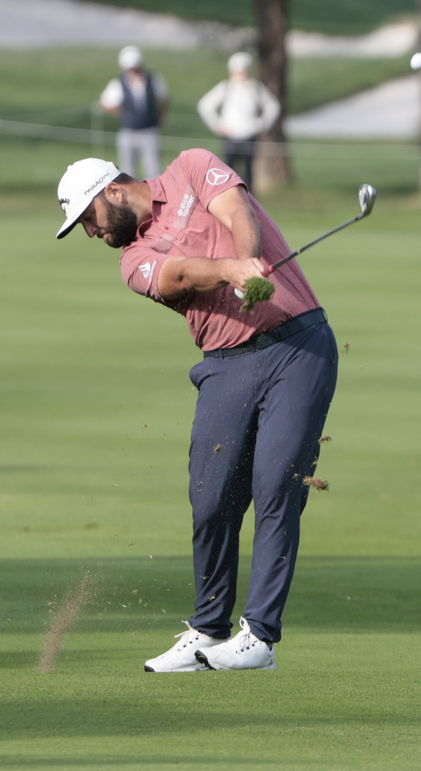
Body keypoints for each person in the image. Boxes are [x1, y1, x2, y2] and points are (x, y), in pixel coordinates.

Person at [54, 150, 339, 672]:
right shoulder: (132, 261)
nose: (91, 232)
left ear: (113, 190)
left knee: (276, 485)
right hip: (226, 365)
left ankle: (260, 638)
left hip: (297, 347)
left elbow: (237, 210)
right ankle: (208, 630)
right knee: (211, 500)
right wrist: (231, 270)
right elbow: (179, 275)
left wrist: (247, 261)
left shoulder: (190, 165)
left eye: (88, 218)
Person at [197, 52, 281, 195]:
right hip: (230, 136)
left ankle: (249, 201)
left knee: (249, 174)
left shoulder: (256, 88)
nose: (241, 74)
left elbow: (273, 106)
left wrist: (262, 124)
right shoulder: (226, 87)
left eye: (243, 71)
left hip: (249, 136)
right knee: (227, 173)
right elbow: (205, 105)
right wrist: (217, 125)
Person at [99, 46, 169, 179]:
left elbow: (164, 99)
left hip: (149, 131)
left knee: (153, 170)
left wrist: (160, 119)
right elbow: (104, 103)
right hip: (128, 132)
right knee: (128, 171)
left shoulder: (152, 79)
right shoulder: (118, 83)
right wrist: (121, 112)